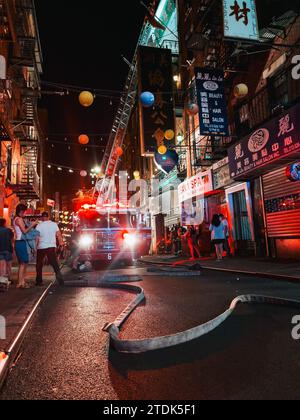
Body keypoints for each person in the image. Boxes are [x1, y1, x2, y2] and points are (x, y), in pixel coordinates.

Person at [13, 204, 39, 289]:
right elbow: (24, 231)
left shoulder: (15, 219)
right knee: (23, 263)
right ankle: (20, 283)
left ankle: (22, 282)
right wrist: (33, 224)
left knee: (23, 263)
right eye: (24, 211)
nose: (24, 213)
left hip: (20, 242)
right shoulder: (19, 219)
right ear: (21, 211)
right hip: (20, 242)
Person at [35, 212, 64, 286]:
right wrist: (61, 244)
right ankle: (60, 280)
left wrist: (35, 247)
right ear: (48, 217)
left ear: (42, 217)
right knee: (54, 264)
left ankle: (39, 281)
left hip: (41, 246)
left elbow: (37, 238)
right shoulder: (54, 224)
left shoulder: (39, 225)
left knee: (39, 264)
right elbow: (59, 235)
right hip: (51, 246)